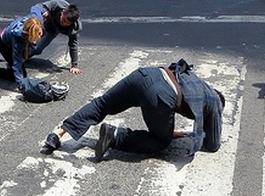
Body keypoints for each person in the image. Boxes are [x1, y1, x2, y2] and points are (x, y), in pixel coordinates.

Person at [40, 59, 224, 161]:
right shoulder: (215, 101)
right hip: (161, 95)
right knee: (161, 141)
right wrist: (166, 134)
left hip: (147, 74)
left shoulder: (199, 84)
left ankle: (57, 133)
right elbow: (213, 144)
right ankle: (115, 136)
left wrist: (169, 128)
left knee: (103, 103)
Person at [0, 8, 44, 91]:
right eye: (37, 35)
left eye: (39, 33)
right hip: (5, 45)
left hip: (12, 34)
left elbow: (36, 8)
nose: (40, 37)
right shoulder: (18, 40)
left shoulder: (36, 18)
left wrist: (44, 12)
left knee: (29, 52)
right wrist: (21, 86)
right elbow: (16, 63)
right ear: (29, 35)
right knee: (21, 75)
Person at [28, 0, 82, 74]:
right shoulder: (57, 4)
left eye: (67, 23)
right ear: (62, 12)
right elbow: (37, 7)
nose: (64, 24)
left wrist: (74, 65)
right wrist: (42, 13)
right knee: (28, 34)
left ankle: (24, 56)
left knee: (38, 48)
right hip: (43, 20)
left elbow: (73, 45)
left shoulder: (74, 28)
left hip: (52, 30)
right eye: (63, 20)